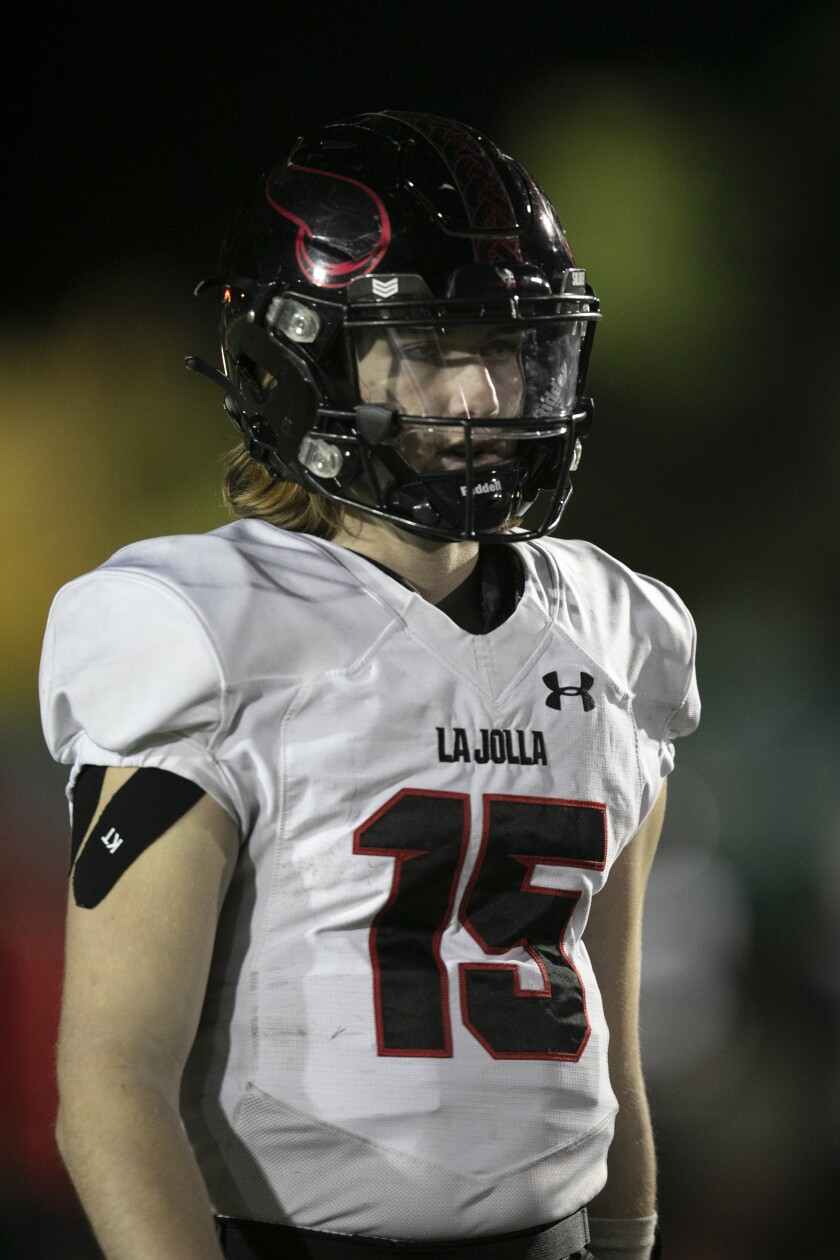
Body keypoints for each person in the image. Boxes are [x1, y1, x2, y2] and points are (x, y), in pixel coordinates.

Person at [39, 111, 699, 1260]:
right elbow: (111, 1078)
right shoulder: (204, 627)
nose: (485, 394)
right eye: (436, 346)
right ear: (299, 357)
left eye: (509, 344)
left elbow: (609, 1045)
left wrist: (632, 1240)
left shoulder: (616, 633)